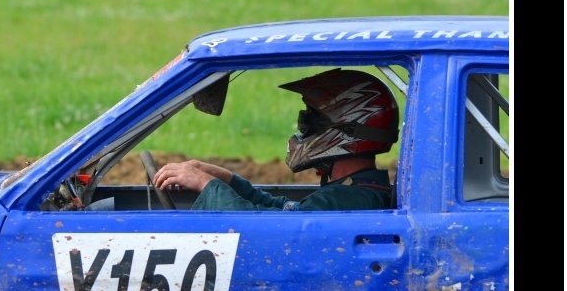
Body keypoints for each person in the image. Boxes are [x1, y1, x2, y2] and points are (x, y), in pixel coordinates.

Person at [154, 68, 399, 211]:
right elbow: (283, 213)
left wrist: (207, 185)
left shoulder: (347, 199)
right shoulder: (354, 192)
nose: (304, 127)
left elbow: (272, 232)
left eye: (311, 120)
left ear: (346, 128)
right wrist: (227, 179)